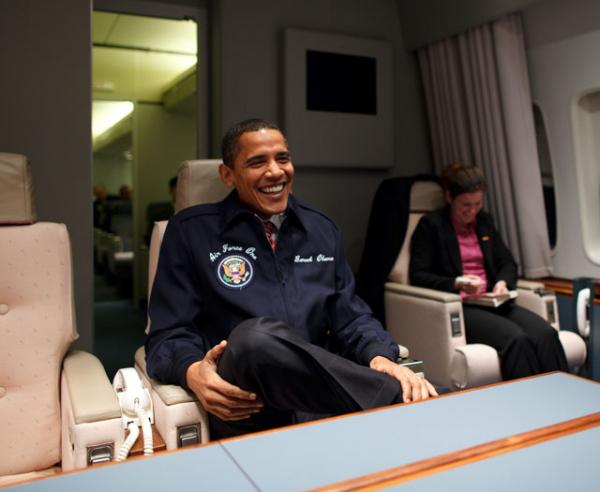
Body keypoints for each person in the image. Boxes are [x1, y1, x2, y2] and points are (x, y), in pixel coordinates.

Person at [146, 118, 437, 439]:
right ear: (228, 175)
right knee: (252, 337)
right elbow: (168, 334)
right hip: (245, 402)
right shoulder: (190, 231)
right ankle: (396, 397)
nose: (275, 171)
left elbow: (351, 317)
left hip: (320, 398)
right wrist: (191, 371)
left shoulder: (321, 229)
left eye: (282, 158)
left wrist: (379, 355)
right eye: (257, 162)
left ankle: (389, 394)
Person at [409, 162, 568, 381]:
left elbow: (507, 263)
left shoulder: (484, 221)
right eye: (466, 204)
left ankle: (563, 396)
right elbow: (418, 275)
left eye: (477, 203)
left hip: (492, 300)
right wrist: (457, 282)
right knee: (516, 339)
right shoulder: (432, 226)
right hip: (462, 305)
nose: (472, 211)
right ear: (449, 197)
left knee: (546, 334)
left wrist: (502, 282)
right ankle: (531, 405)